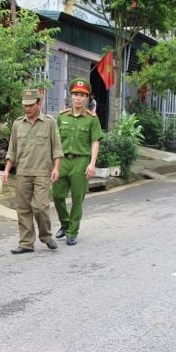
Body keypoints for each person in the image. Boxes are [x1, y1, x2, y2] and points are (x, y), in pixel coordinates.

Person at [3, 89, 63, 254]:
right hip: (22, 172)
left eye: (30, 105)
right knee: (23, 208)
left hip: (43, 172)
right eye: (24, 105)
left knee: (40, 206)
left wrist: (56, 168)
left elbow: (57, 149)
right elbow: (12, 150)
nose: (27, 108)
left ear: (39, 104)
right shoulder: (17, 124)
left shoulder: (50, 123)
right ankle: (26, 243)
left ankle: (46, 236)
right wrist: (7, 170)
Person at [51, 78, 104, 246]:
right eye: (75, 94)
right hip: (63, 160)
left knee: (77, 197)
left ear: (87, 98)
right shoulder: (61, 116)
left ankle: (72, 231)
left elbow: (95, 141)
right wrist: (53, 163)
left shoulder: (91, 119)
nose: (78, 98)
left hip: (81, 161)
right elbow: (55, 141)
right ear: (71, 96)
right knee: (57, 195)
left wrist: (92, 163)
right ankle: (65, 223)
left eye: (82, 95)